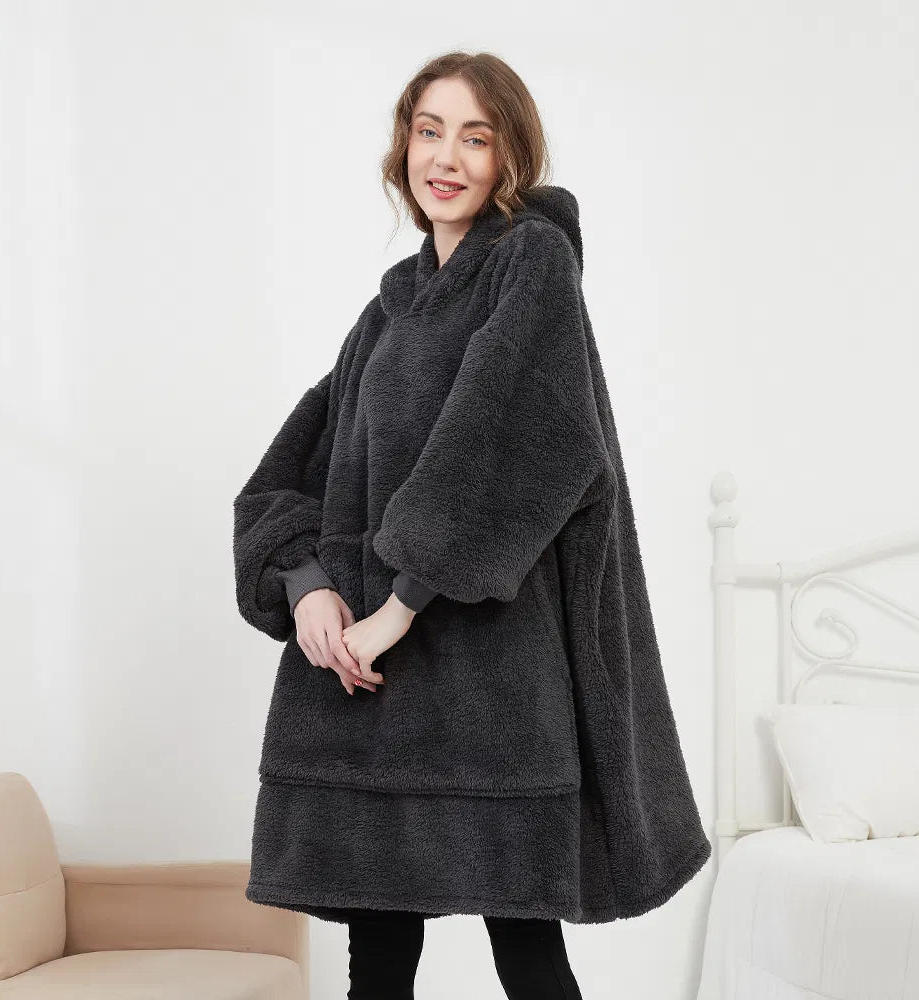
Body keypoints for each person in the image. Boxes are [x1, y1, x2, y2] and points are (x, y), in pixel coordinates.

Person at [233, 50, 710, 1000]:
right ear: (403, 146)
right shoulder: (388, 311)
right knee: (379, 965)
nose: (445, 157)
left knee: (528, 958)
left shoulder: (532, 262)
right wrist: (307, 584)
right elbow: (291, 472)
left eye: (475, 137)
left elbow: (518, 443)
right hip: (371, 691)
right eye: (429, 131)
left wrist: (397, 606)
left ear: (509, 158)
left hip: (492, 687)